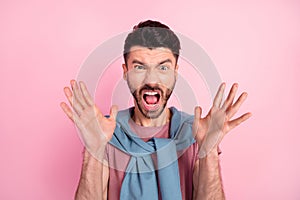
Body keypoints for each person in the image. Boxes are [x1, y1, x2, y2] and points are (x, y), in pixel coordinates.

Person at [60, 20, 251, 200]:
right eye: (139, 67)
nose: (151, 80)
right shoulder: (105, 133)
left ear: (176, 72)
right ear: (125, 72)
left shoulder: (195, 132)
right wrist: (94, 150)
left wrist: (208, 151)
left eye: (163, 68)